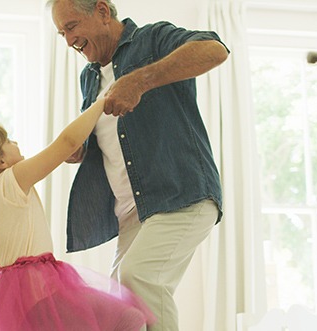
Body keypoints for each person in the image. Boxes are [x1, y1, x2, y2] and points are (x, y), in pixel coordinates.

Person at [48, 0, 230, 330]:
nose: (68, 40)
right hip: (132, 212)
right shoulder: (89, 79)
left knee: (139, 276)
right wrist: (83, 150)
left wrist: (140, 80)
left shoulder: (152, 39)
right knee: (120, 306)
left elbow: (214, 50)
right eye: (62, 33)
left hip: (180, 194)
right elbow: (114, 136)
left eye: (72, 27)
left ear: (102, 11)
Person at [0, 97, 154, 331]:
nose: (14, 141)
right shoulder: (12, 178)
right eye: (7, 140)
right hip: (41, 291)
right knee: (129, 317)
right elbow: (67, 142)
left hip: (21, 298)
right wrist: (102, 102)